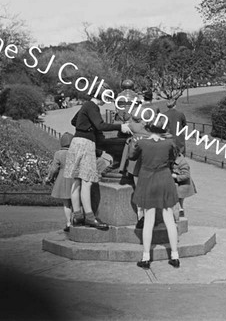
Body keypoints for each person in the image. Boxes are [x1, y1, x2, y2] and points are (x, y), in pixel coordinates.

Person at [63, 86, 130, 230]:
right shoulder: (92, 106)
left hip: (76, 142)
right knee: (87, 181)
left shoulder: (85, 106)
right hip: (86, 144)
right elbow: (100, 125)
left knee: (76, 180)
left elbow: (74, 121)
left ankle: (77, 216)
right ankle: (90, 217)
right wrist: (120, 127)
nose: (107, 101)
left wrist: (87, 126)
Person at [129, 122, 180, 269]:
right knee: (169, 218)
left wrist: (134, 142)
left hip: (147, 179)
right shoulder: (169, 143)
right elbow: (172, 158)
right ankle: (175, 256)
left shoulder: (142, 143)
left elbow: (132, 156)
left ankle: (146, 257)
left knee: (149, 219)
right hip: (164, 178)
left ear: (149, 129)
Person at [44, 132, 78, 232]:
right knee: (76, 201)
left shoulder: (58, 153)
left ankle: (68, 223)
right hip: (75, 177)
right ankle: (76, 220)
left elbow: (54, 169)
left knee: (66, 203)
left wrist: (49, 178)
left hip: (63, 178)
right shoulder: (76, 152)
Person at [172, 154, 196, 218]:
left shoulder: (182, 162)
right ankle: (179, 214)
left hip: (183, 185)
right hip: (179, 185)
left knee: (178, 201)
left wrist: (175, 176)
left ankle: (179, 215)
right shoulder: (172, 160)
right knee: (178, 202)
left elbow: (186, 175)